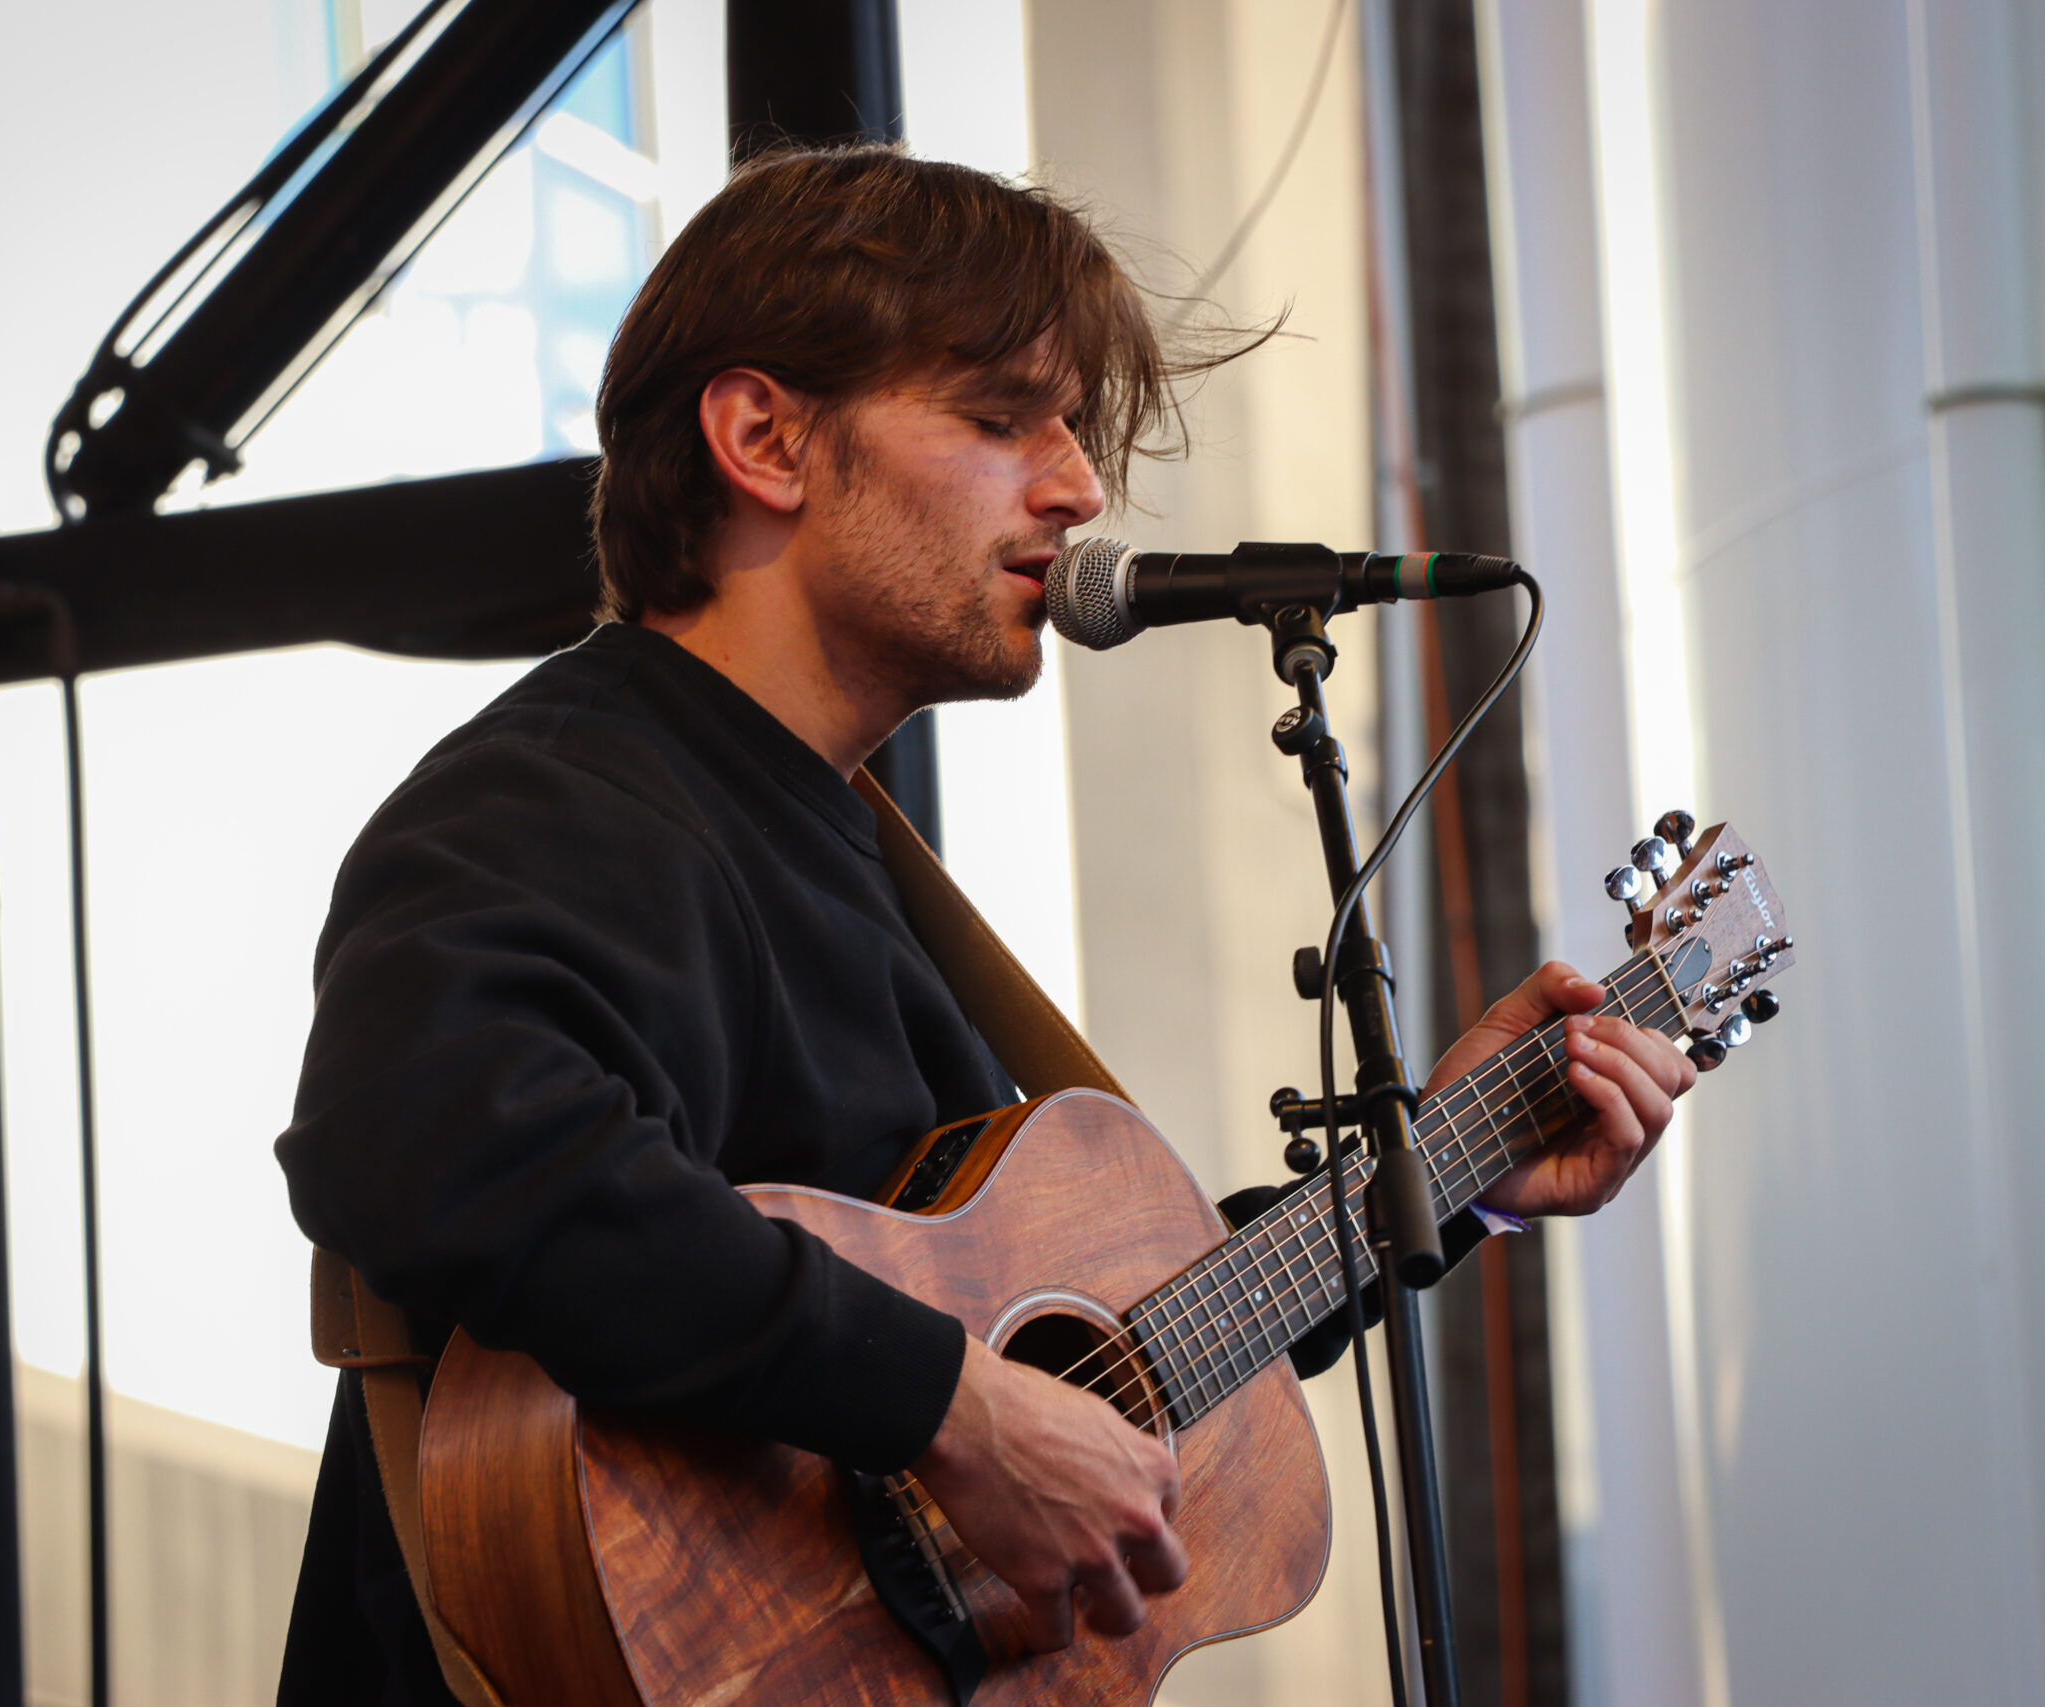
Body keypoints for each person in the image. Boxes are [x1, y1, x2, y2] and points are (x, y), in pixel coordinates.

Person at [272, 146, 1695, 1706]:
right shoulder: (568, 794)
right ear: (763, 437)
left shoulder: (846, 852)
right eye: (1002, 417)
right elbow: (429, 1141)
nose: (1081, 487)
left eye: (1075, 430)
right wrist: (956, 1410)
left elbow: (1092, 1372)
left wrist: (1447, 1171)